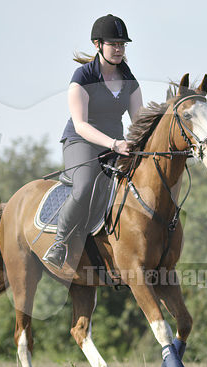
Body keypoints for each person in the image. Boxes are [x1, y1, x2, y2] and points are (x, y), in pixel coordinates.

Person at [43, 14, 143, 268]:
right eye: (114, 44)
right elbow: (81, 125)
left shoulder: (129, 81)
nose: (119, 49)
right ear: (98, 45)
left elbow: (139, 122)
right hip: (81, 142)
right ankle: (60, 241)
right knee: (86, 184)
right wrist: (114, 144)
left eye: (122, 45)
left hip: (116, 145)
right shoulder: (83, 78)